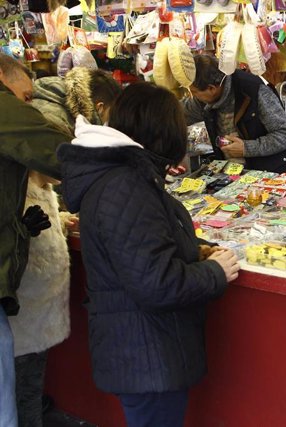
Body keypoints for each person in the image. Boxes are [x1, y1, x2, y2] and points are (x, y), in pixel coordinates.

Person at [57, 82, 241, 427]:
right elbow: (157, 282)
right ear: (164, 131)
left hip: (143, 350)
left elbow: (140, 250)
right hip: (146, 354)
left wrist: (193, 251)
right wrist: (215, 272)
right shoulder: (125, 185)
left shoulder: (123, 177)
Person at [0, 54, 70, 427]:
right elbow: (62, 153)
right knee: (11, 400)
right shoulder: (6, 115)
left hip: (20, 301)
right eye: (25, 98)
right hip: (17, 303)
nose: (27, 106)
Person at [9, 170, 77, 427]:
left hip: (40, 314)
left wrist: (60, 220)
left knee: (31, 384)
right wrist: (21, 231)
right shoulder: (16, 194)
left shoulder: (42, 190)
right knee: (23, 390)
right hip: (23, 316)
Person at [183, 54, 286, 176]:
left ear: (211, 88)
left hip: (273, 176)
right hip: (236, 177)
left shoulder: (255, 91)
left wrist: (246, 148)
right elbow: (181, 114)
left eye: (194, 92)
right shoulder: (203, 100)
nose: (193, 97)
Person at [31, 67, 121, 136]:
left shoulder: (47, 100)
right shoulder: (58, 125)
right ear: (100, 108)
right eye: (111, 114)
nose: (111, 121)